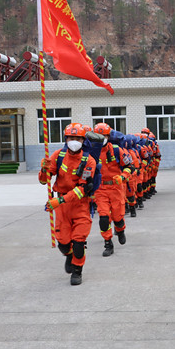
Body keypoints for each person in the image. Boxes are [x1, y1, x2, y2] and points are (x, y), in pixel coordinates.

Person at [39, 122, 97, 285]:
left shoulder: (89, 161)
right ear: (66, 139)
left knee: (78, 241)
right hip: (61, 207)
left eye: (77, 138)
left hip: (80, 205)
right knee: (63, 243)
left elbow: (82, 189)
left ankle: (77, 271)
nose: (74, 141)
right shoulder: (58, 155)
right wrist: (43, 170)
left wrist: (60, 200)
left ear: (83, 140)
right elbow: (44, 181)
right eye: (71, 138)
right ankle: (69, 255)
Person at [88, 123, 133, 257]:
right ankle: (108, 243)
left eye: (105, 136)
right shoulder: (91, 152)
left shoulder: (117, 150)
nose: (102, 138)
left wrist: (123, 176)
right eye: (99, 136)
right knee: (103, 217)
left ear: (109, 136)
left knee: (118, 217)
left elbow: (130, 166)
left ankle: (120, 229)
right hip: (100, 189)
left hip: (116, 187)